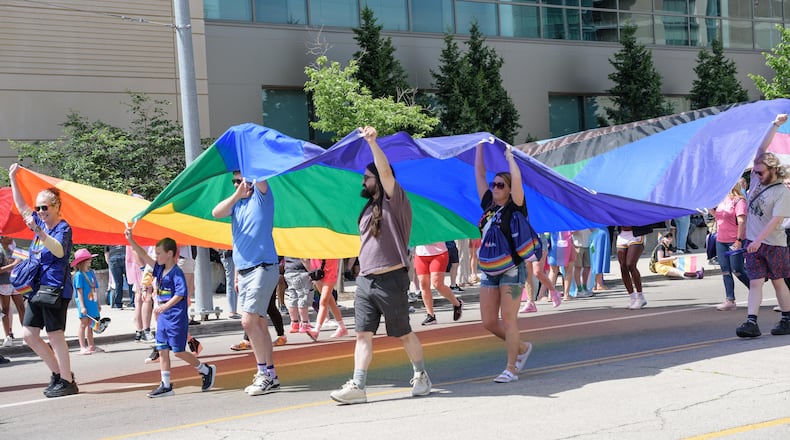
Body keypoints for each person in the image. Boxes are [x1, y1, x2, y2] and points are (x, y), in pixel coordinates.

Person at [329, 126, 431, 404]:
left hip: (391, 279)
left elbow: (385, 172)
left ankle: (421, 375)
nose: (363, 181)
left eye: (367, 177)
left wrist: (373, 144)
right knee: (363, 335)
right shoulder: (366, 210)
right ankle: (358, 386)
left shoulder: (395, 202)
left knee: (403, 333)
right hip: (366, 282)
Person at [9, 163, 77, 397]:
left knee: (55, 334)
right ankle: (59, 374)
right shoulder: (39, 222)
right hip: (37, 288)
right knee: (29, 334)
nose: (40, 211)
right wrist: (13, 178)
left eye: (45, 207)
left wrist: (39, 233)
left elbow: (59, 251)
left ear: (56, 206)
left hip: (55, 288)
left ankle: (67, 381)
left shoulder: (62, 228)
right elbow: (21, 206)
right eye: (38, 208)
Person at [212, 170, 281, 396]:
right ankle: (270, 374)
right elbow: (215, 212)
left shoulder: (262, 197)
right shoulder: (237, 204)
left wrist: (249, 163)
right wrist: (237, 195)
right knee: (259, 324)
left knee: (248, 322)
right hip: (244, 272)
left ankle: (263, 373)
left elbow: (260, 175)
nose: (238, 184)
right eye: (235, 181)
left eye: (242, 180)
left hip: (263, 267)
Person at [125, 230, 216, 397]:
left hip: (175, 318)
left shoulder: (176, 273)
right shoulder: (159, 270)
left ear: (170, 254)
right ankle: (166, 385)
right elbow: (144, 255)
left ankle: (205, 370)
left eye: (159, 253)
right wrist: (131, 240)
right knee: (162, 350)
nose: (156, 256)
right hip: (163, 318)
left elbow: (181, 293)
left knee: (178, 351)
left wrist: (164, 306)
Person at [473, 143, 533, 384]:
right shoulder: (488, 205)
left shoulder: (516, 207)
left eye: (500, 185)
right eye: (493, 184)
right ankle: (522, 347)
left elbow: (517, 181)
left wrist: (510, 160)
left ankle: (511, 368)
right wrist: (477, 147)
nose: (495, 188)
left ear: (508, 190)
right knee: (488, 322)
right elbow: (478, 174)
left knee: (509, 320)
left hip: (512, 270)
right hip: (489, 270)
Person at [736, 113, 790, 338]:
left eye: (759, 172)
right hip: (753, 244)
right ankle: (751, 322)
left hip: (773, 243)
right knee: (756, 282)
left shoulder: (781, 192)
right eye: (754, 172)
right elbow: (762, 147)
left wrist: (758, 241)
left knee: (778, 281)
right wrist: (775, 124)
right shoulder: (758, 180)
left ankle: (787, 318)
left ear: (773, 171)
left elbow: (776, 221)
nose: (754, 176)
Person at [713, 182, 750, 311]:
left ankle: (754, 288)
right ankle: (730, 299)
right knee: (725, 270)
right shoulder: (721, 199)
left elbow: (741, 221)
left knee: (737, 269)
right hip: (721, 239)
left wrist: (739, 240)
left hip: (734, 239)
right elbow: (718, 216)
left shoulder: (739, 201)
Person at [413, 242, 463, 326]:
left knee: (437, 284)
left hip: (439, 253)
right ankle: (430, 315)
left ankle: (457, 304)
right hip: (420, 254)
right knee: (423, 284)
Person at [307, 258, 349, 340]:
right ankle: (342, 327)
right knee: (330, 301)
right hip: (317, 271)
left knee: (323, 301)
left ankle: (316, 330)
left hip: (329, 271)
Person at [71, 248, 102, 355]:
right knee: (83, 324)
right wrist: (82, 306)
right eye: (88, 259)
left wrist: (98, 303)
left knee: (91, 325)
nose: (90, 260)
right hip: (84, 304)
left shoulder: (92, 273)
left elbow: (95, 289)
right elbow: (79, 292)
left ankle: (91, 346)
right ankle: (82, 346)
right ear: (82, 261)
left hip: (92, 302)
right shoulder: (79, 275)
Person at [0, 236, 23, 347]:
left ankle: (27, 334)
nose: (11, 237)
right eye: (7, 236)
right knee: (5, 309)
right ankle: (8, 336)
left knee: (22, 308)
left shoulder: (13, 249)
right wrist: (13, 265)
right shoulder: (0, 251)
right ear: (2, 238)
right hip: (4, 283)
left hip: (16, 282)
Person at [617, 226, 646, 309]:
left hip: (636, 234)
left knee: (630, 264)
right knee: (623, 266)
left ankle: (640, 296)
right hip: (622, 234)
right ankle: (632, 297)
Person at [130, 244, 155, 342]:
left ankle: (140, 331)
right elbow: (134, 250)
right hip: (143, 265)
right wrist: (142, 267)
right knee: (146, 297)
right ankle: (145, 330)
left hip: (141, 265)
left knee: (140, 298)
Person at [104, 244, 129, 308]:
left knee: (118, 283)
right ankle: (133, 302)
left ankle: (118, 304)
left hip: (113, 259)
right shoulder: (123, 236)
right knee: (129, 281)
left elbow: (106, 254)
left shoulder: (108, 239)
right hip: (125, 257)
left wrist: (110, 264)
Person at [572, 228, 593, 297]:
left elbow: (594, 230)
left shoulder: (588, 219)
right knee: (578, 267)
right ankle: (579, 289)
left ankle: (585, 287)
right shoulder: (575, 219)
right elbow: (571, 231)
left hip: (588, 245)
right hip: (577, 245)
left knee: (587, 266)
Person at [219, 249, 240, 319]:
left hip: (228, 254)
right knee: (232, 282)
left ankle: (233, 310)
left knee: (233, 282)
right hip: (229, 255)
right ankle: (232, 311)